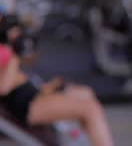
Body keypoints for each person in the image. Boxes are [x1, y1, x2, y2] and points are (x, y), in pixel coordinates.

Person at [0, 14, 114, 146]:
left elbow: (28, 62)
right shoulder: (7, 52)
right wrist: (15, 54)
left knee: (85, 93)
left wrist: (50, 87)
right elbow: (3, 88)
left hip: (33, 94)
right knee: (90, 108)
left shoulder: (6, 47)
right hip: (25, 105)